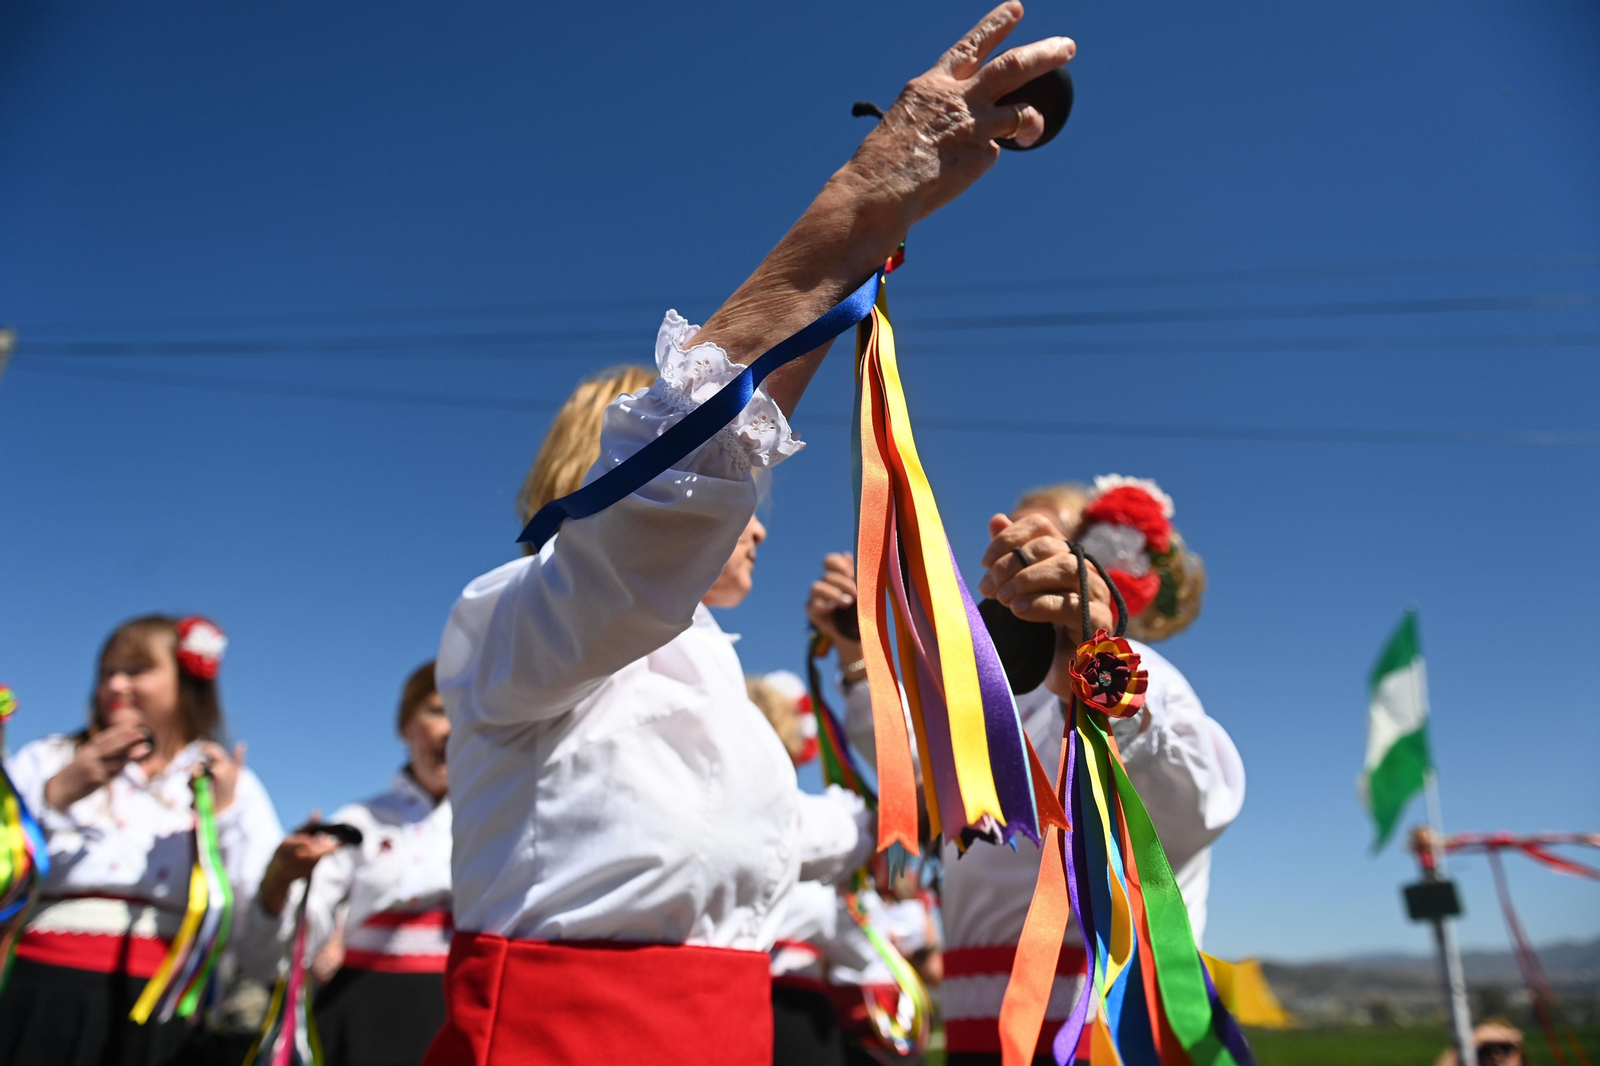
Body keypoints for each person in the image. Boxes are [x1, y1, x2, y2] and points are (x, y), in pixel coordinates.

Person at [425, 8, 1082, 1063]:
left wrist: (998, 664)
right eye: (741, 502)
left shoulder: (726, 692)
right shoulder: (511, 622)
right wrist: (852, 217)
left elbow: (858, 827)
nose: (756, 526)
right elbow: (652, 526)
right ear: (597, 470)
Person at [806, 476, 1244, 1064]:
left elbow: (1198, 803)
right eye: (1012, 536)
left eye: (1051, 536)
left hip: (1102, 1032)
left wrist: (1096, 665)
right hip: (977, 1029)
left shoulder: (1148, 679)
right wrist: (857, 655)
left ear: (1101, 559)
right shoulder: (994, 703)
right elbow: (920, 773)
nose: (1023, 546)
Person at [0, 615, 282, 1066]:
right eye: (107, 672)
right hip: (41, 988)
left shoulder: (228, 782)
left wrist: (225, 814)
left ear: (189, 681)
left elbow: (256, 928)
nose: (115, 684)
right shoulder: (50, 758)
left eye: (135, 670)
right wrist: (56, 796)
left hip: (166, 1002)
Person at [236, 661, 453, 1066]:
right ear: (405, 725)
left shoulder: (498, 823)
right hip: (363, 1015)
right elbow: (272, 961)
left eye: (468, 714)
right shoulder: (359, 822)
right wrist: (278, 885)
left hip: (461, 1011)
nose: (450, 730)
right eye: (438, 710)